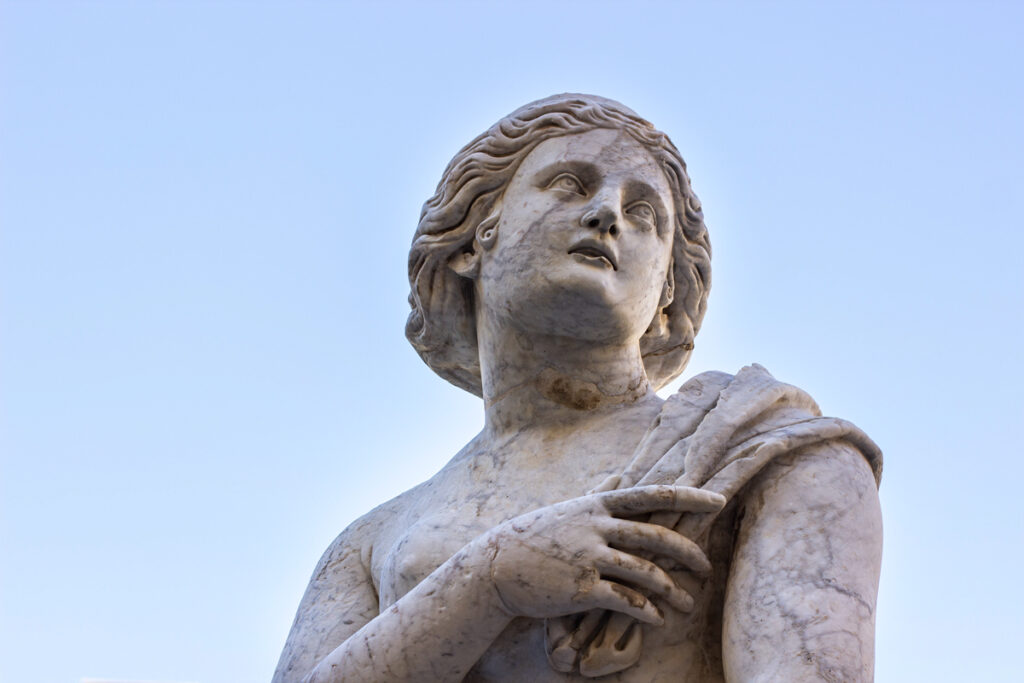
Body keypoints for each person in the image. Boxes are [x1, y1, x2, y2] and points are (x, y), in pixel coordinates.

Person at [273, 94, 883, 682]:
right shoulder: (371, 540)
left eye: (645, 213)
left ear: (666, 290)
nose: (609, 213)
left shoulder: (762, 454)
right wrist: (490, 581)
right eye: (569, 183)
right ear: (475, 237)